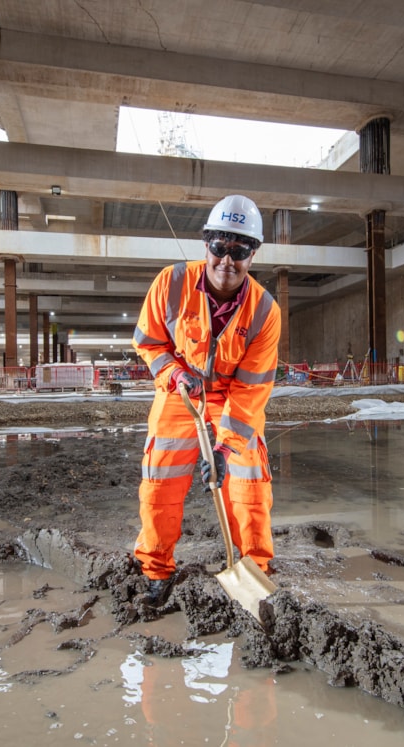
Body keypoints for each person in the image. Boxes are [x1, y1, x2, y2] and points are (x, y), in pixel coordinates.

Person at [131, 194, 281, 606]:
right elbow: (148, 341)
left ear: (253, 254)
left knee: (249, 483)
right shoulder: (171, 283)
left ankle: (253, 572)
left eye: (239, 250)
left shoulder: (265, 311)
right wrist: (172, 371)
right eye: (219, 247)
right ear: (206, 244)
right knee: (160, 483)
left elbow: (251, 391)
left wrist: (224, 446)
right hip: (181, 393)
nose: (227, 261)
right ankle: (156, 571)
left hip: (233, 398)